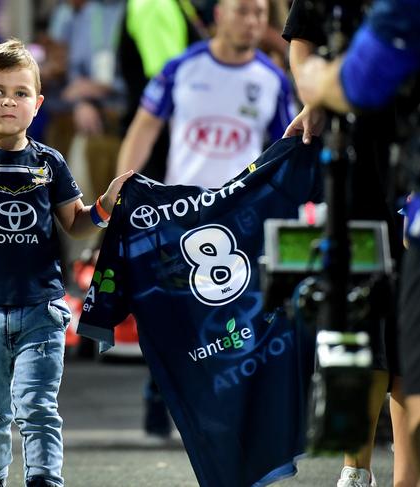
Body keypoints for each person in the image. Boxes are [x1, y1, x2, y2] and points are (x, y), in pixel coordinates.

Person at [0, 38, 132, 487]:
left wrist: (105, 207)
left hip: (43, 307)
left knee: (38, 409)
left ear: (37, 103)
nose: (8, 101)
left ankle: (44, 481)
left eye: (20, 92)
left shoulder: (49, 163)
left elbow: (76, 222)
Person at [282, 2, 418, 486]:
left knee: (413, 336)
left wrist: (325, 86)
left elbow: (361, 73)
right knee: (357, 322)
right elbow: (303, 40)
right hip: (356, 172)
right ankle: (355, 471)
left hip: (412, 169)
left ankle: (408, 478)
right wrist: (314, 95)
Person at [116, 0, 205, 439]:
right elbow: (162, 83)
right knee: (178, 296)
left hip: (199, 185)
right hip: (177, 186)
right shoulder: (154, 4)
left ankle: (171, 396)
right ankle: (160, 392)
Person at [116, 0, 295, 189]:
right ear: (219, 15)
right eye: (241, 12)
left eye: (259, 13)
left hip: (240, 208)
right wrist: (118, 194)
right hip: (182, 207)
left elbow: (285, 149)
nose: (251, 21)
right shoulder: (181, 68)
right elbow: (143, 129)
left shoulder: (274, 80)